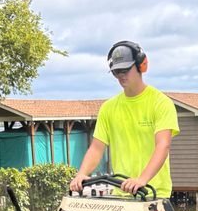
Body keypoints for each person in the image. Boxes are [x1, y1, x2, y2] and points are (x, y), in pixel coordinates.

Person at [69, 41, 179, 198]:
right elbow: (96, 148)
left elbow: (163, 145)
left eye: (125, 70)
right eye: (116, 71)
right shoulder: (108, 108)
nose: (121, 75)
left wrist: (142, 179)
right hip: (121, 192)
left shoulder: (160, 103)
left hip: (154, 194)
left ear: (141, 66)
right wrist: (82, 174)